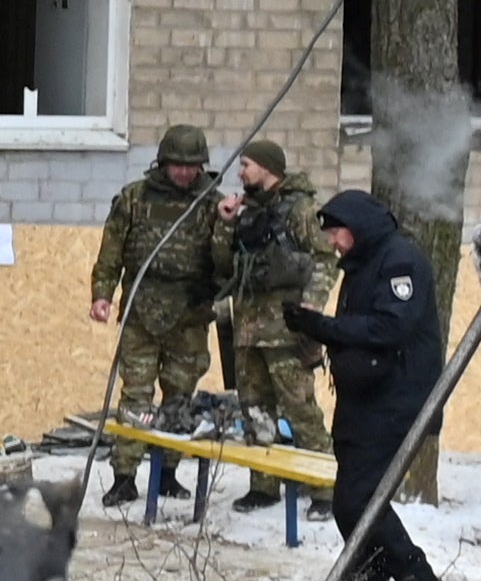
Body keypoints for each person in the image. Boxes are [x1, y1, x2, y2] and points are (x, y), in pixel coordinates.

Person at [302, 186, 456, 581]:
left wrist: (326, 327)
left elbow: (391, 326)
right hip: (362, 402)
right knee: (350, 509)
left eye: (337, 233)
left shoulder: (399, 261)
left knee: (361, 503)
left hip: (394, 404)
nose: (332, 242)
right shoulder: (363, 264)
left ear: (357, 227)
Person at [85, 122, 229, 509]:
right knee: (136, 398)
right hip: (141, 311)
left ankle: (167, 474)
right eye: (177, 165)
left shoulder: (215, 204)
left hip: (190, 314)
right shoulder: (134, 198)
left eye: (192, 166)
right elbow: (111, 252)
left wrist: (230, 225)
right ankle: (125, 476)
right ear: (163, 163)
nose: (185, 172)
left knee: (179, 398)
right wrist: (102, 294)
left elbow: (226, 262)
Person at [216, 137, 322, 431]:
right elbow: (225, 266)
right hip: (248, 337)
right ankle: (261, 480)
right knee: (257, 423)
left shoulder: (301, 210)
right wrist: (225, 226)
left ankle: (318, 478)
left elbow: (325, 257)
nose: (240, 173)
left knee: (303, 418)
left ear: (266, 168)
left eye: (246, 165)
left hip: (285, 336)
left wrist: (312, 302)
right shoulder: (247, 212)